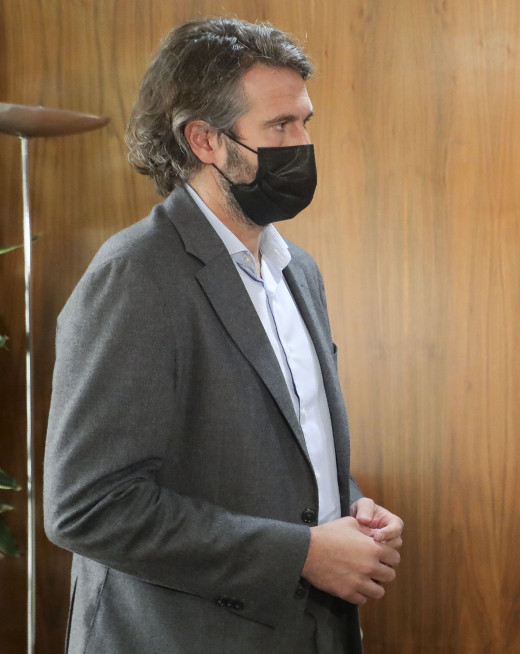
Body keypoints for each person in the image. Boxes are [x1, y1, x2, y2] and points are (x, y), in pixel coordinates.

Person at [43, 17, 402, 653]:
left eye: (306, 122)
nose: (302, 143)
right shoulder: (136, 275)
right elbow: (88, 505)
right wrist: (302, 552)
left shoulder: (300, 272)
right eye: (280, 127)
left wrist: (349, 509)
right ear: (205, 140)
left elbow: (287, 446)